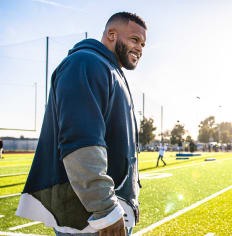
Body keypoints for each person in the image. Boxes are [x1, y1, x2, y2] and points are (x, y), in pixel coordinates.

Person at [15, 12, 147, 236]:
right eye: (134, 39)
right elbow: (81, 141)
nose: (140, 48)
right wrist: (105, 209)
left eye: (143, 44)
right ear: (111, 35)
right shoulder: (85, 62)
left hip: (102, 212)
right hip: (89, 219)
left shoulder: (109, 69)